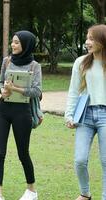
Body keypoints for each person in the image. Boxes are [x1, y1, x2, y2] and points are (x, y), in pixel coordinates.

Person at [0, 31, 41, 200]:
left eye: (17, 43)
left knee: (23, 153)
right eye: (12, 42)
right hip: (3, 109)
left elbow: (37, 91)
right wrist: (2, 90)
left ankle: (31, 190)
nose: (13, 45)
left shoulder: (35, 66)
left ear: (26, 45)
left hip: (22, 112)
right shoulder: (7, 61)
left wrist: (16, 89)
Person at [65, 24, 106, 200]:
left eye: (91, 38)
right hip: (85, 115)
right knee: (80, 160)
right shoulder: (81, 62)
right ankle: (85, 193)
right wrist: (69, 114)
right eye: (87, 38)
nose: (87, 42)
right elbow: (74, 91)